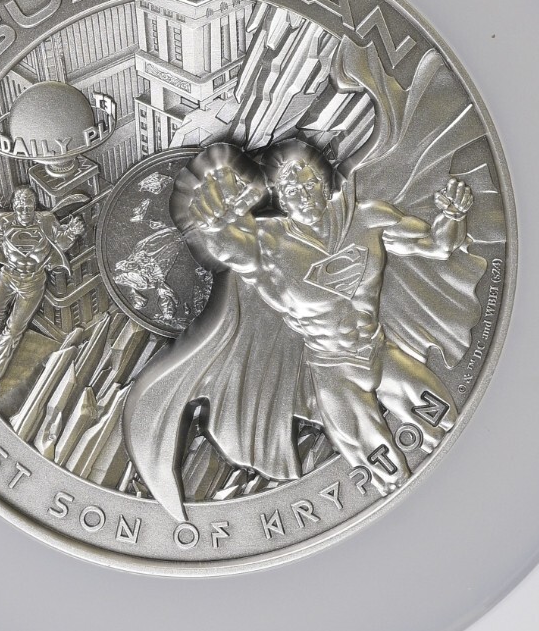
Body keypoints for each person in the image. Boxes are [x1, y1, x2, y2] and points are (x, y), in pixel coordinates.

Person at [175, 143, 472, 489]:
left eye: (309, 183)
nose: (303, 195)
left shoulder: (366, 217)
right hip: (335, 373)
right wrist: (213, 224)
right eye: (291, 190)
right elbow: (229, 248)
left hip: (381, 352)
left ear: (323, 182)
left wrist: (453, 216)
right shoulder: (268, 242)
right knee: (389, 478)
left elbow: (437, 246)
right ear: (281, 199)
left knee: (456, 425)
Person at [0, 188, 83, 396]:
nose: (24, 212)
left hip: (33, 283)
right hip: (7, 277)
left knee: (13, 331)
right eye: (20, 208)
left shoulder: (46, 220)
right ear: (14, 207)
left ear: (34, 206)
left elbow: (60, 243)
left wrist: (72, 233)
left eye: (28, 207)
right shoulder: (3, 221)